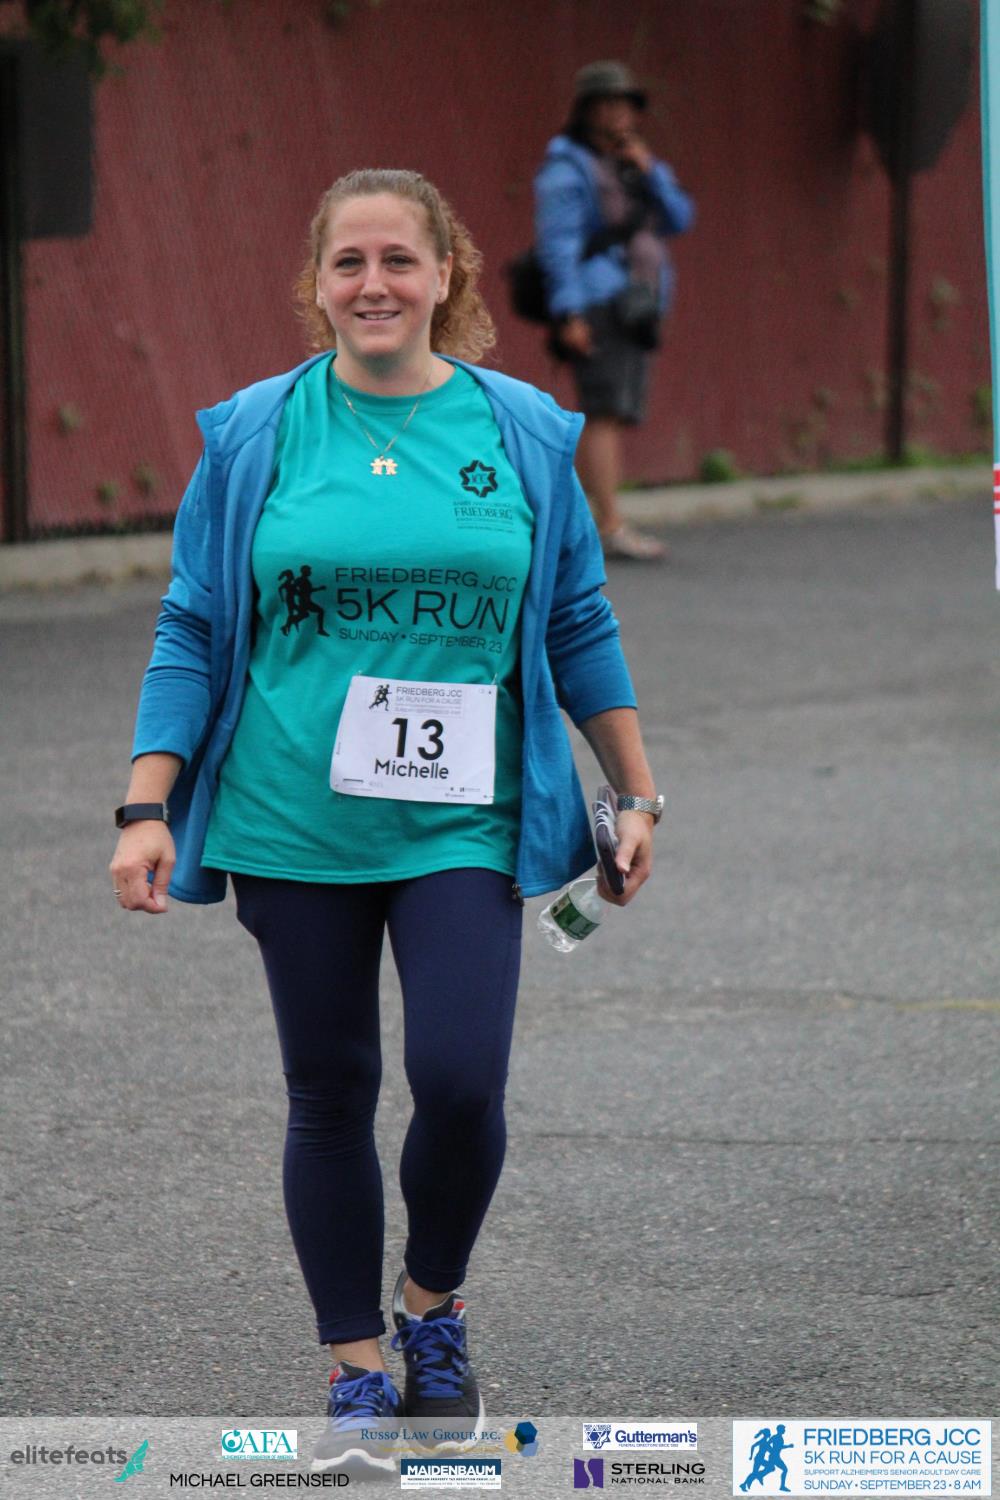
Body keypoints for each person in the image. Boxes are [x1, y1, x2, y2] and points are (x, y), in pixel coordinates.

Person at [109, 168, 663, 1481]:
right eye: (348, 262)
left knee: (462, 1081)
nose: (373, 284)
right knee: (330, 1087)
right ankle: (356, 1367)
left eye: (399, 260)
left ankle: (432, 1308)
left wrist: (634, 791)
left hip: (464, 815)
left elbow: (577, 616)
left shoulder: (523, 431)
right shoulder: (256, 433)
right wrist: (145, 802)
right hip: (290, 814)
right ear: (316, 283)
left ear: (446, 273)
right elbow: (192, 621)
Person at [534, 60, 695, 561]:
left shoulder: (634, 166)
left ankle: (592, 522)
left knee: (616, 411)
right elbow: (558, 246)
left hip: (636, 304)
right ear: (586, 111)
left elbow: (679, 218)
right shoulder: (566, 169)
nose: (618, 115)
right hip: (597, 303)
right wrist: (569, 315)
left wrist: (651, 174)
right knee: (602, 412)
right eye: (607, 105)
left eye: (625, 105)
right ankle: (607, 527)